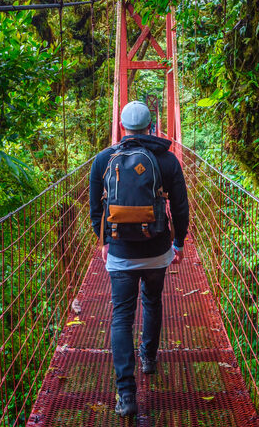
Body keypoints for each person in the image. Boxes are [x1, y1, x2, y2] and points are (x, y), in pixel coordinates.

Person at [89, 100, 189, 417]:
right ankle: (148, 357)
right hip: (157, 249)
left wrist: (104, 240)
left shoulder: (103, 159)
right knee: (152, 302)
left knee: (121, 317)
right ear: (150, 127)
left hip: (119, 253)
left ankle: (127, 395)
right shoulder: (168, 160)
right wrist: (179, 242)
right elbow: (182, 207)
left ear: (122, 127)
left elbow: (95, 210)